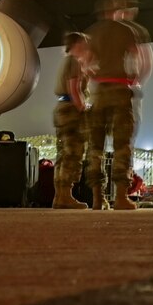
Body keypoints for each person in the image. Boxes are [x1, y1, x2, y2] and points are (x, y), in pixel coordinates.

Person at [85, 0, 152, 210]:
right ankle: (121, 196)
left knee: (96, 146)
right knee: (123, 145)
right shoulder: (128, 31)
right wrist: (135, 81)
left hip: (98, 91)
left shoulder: (91, 33)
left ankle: (97, 196)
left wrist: (92, 82)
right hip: (120, 89)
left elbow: (84, 63)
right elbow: (143, 61)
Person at [52, 32, 95, 208]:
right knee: (73, 153)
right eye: (84, 44)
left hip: (63, 109)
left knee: (63, 154)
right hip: (71, 111)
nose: (86, 47)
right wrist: (83, 109)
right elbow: (74, 89)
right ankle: (65, 196)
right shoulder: (73, 62)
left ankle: (60, 195)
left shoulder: (68, 62)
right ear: (76, 44)